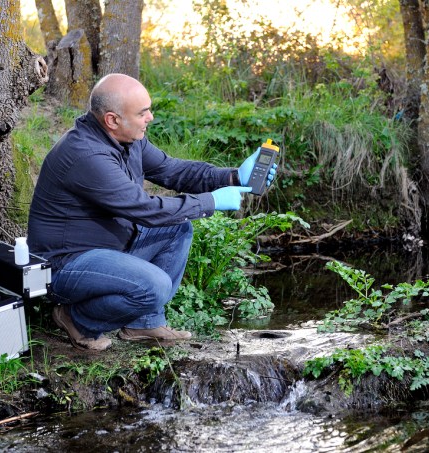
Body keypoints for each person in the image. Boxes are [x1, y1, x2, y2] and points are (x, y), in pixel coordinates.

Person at [27, 73, 276, 351]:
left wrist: (232, 177)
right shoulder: (86, 155)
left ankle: (143, 323)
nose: (151, 118)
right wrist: (210, 202)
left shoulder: (128, 140)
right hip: (66, 265)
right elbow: (145, 209)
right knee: (154, 285)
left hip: (106, 249)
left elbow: (174, 171)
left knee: (177, 228)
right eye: (143, 112)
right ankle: (77, 318)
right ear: (112, 119)